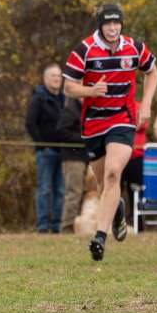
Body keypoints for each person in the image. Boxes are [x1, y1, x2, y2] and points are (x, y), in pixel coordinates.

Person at [62, 4, 157, 261]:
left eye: (117, 24)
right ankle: (116, 210)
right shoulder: (84, 50)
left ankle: (100, 238)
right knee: (104, 182)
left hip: (123, 119)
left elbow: (152, 72)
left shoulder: (134, 47)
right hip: (93, 123)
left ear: (122, 24)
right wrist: (90, 91)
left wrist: (146, 103)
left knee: (114, 173)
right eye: (108, 24)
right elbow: (69, 87)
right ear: (100, 26)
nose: (113, 28)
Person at [25, 64, 67, 233]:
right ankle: (43, 226)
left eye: (59, 76)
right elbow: (30, 123)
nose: (57, 79)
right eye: (53, 76)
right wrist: (42, 145)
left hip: (62, 151)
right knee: (44, 189)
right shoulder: (39, 98)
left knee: (60, 190)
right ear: (45, 79)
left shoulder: (64, 99)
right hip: (45, 152)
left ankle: (57, 226)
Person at [56, 94, 88, 233]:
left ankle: (80, 227)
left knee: (85, 193)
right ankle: (67, 228)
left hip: (87, 157)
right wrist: (83, 138)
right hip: (73, 158)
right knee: (73, 193)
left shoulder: (89, 109)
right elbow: (61, 132)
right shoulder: (70, 110)